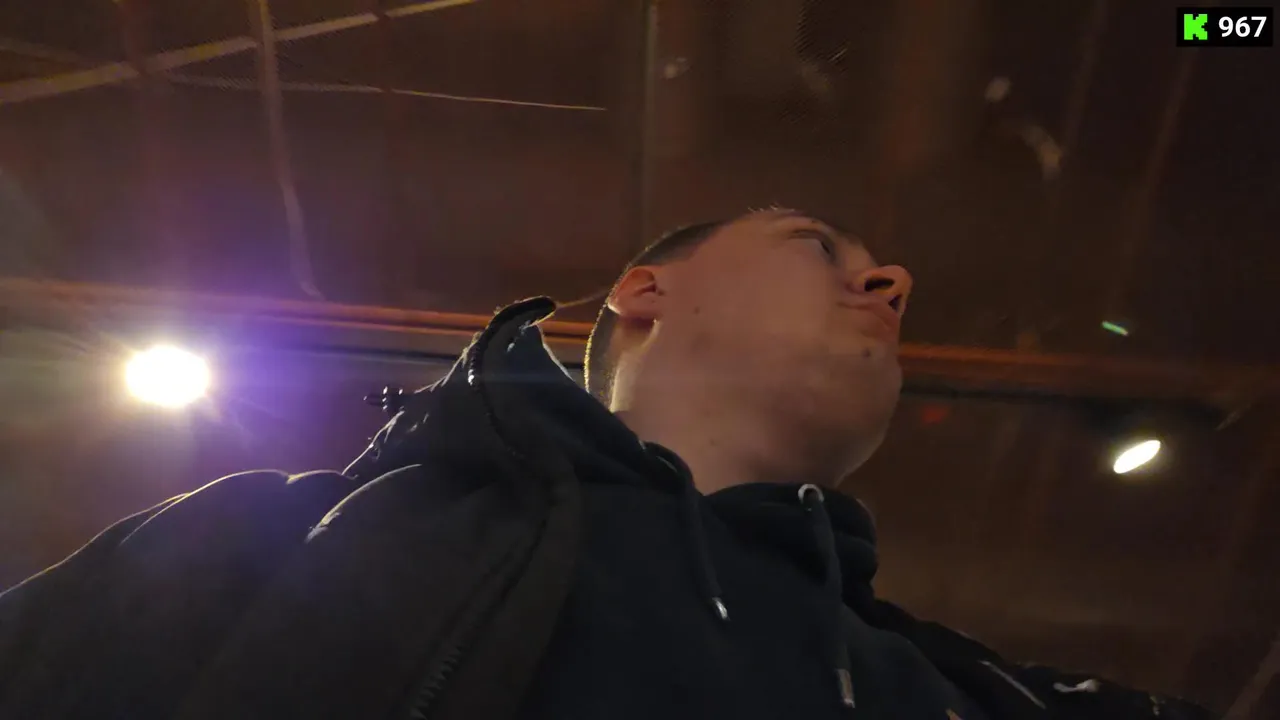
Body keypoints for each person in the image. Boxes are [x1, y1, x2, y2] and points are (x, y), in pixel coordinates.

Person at [0, 208, 1213, 720]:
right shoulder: (272, 544)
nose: (890, 282)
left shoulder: (961, 689)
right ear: (644, 293)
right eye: (817, 246)